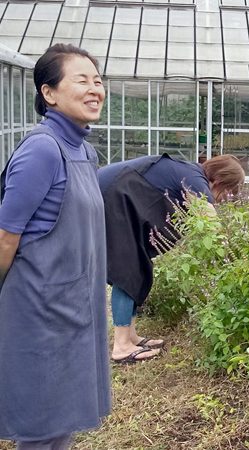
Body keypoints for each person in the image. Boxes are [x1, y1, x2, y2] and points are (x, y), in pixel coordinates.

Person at [0, 44, 110, 449]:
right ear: (49, 93)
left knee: (61, 420)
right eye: (81, 80)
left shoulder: (83, 149)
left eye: (97, 80)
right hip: (39, 310)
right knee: (40, 426)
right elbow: (5, 235)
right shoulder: (42, 149)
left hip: (73, 305)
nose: (94, 88)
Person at [98, 154, 245, 364]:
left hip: (118, 195)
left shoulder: (188, 171)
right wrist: (236, 258)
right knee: (128, 269)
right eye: (228, 193)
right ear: (220, 181)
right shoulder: (194, 178)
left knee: (138, 265)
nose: (223, 200)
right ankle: (121, 347)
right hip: (112, 196)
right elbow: (211, 225)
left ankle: (130, 337)